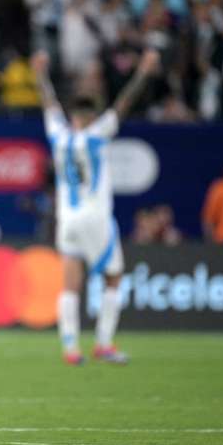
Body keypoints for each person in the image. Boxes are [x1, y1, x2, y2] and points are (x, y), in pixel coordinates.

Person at [31, 48, 159, 366]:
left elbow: (48, 103)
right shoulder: (97, 134)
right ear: (92, 117)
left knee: (71, 283)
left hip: (67, 219)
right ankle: (103, 343)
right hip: (95, 217)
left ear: (73, 117)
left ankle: (71, 348)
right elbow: (124, 103)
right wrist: (143, 71)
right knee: (113, 277)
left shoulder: (59, 136)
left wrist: (40, 74)